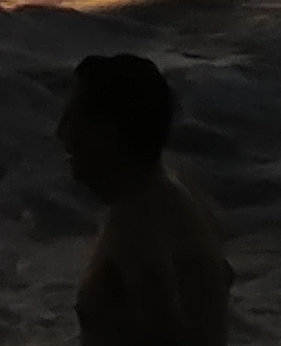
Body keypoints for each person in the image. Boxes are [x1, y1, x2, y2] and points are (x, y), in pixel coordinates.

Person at [59, 53, 233, 346]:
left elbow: (165, 336)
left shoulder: (136, 223)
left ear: (108, 132)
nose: (62, 133)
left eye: (74, 117)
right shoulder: (180, 193)